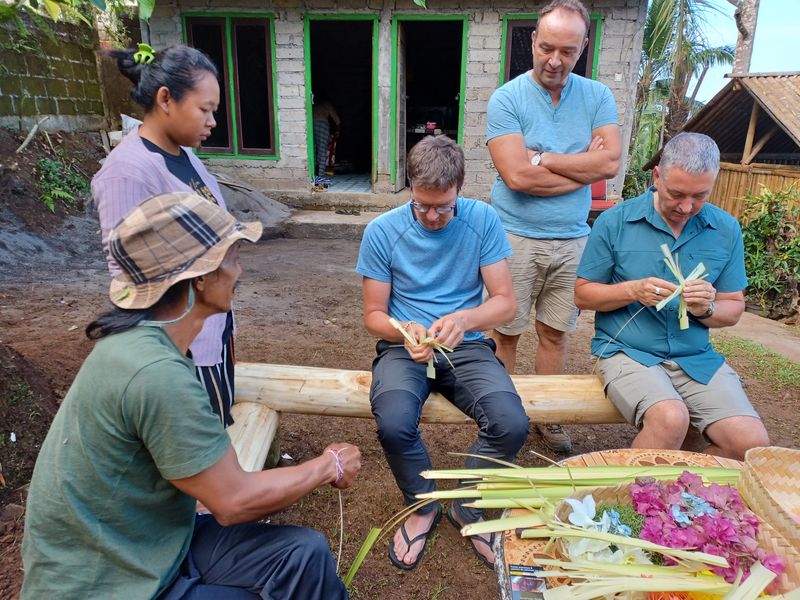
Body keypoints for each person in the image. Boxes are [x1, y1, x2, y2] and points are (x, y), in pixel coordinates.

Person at [21, 192, 362, 599]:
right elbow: (233, 501)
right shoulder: (157, 374)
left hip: (148, 543)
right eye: (233, 258)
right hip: (109, 582)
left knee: (303, 554)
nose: (238, 271)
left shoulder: (138, 344)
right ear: (201, 277)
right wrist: (328, 466)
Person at [356, 136, 528, 570]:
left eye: (444, 207)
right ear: (410, 188)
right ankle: (424, 504)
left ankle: (466, 505)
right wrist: (404, 329)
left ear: (461, 189)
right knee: (394, 423)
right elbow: (374, 314)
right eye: (421, 206)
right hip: (403, 347)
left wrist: (465, 320)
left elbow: (505, 302)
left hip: (465, 346)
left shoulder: (482, 220)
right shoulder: (383, 231)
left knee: (510, 424)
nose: (432, 217)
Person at [574, 132, 770, 461]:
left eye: (700, 196)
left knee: (749, 442)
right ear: (656, 177)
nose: (686, 207)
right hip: (627, 352)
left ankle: (681, 495)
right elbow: (583, 295)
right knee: (670, 419)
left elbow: (733, 307)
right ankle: (628, 500)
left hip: (695, 359)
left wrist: (706, 307)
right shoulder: (615, 221)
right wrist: (632, 290)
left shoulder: (726, 229)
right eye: (677, 194)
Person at [485, 0, 621, 452]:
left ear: (582, 47)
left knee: (555, 332)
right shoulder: (508, 99)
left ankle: (549, 414)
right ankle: (497, 416)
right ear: (532, 42)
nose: (555, 60)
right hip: (513, 237)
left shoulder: (598, 96)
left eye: (567, 50)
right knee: (506, 332)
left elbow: (610, 163)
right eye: (546, 48)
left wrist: (545, 158)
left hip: (571, 241)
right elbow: (517, 177)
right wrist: (582, 165)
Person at [92, 44, 239, 427]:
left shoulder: (184, 155)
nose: (212, 122)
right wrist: (163, 354)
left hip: (208, 327)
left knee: (214, 434)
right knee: (191, 450)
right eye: (205, 110)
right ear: (165, 99)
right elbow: (125, 270)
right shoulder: (128, 171)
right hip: (178, 346)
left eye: (214, 112)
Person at [312, 94, 341, 178]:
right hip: (322, 126)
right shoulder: (327, 104)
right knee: (322, 150)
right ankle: (320, 174)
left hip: (311, 125)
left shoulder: (313, 105)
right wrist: (338, 130)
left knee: (312, 150)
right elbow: (337, 119)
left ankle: (312, 174)